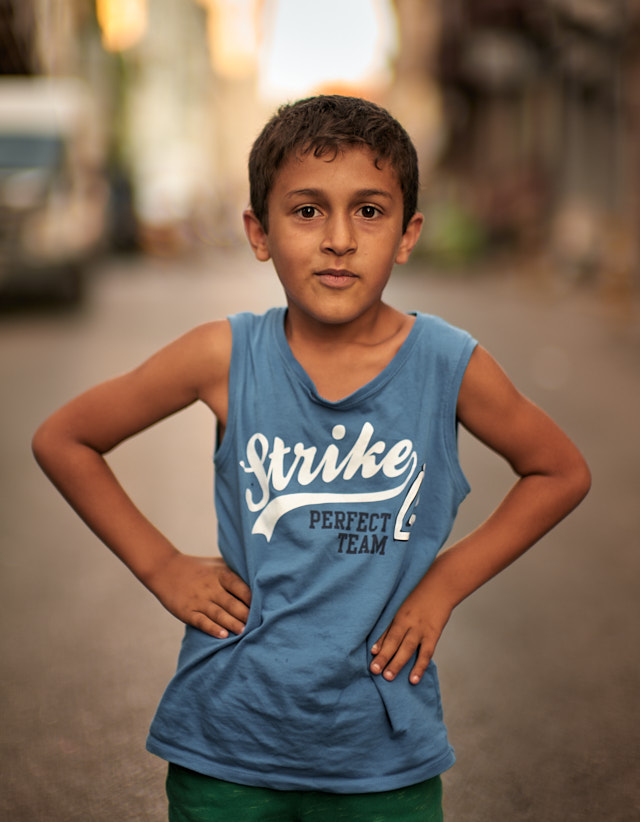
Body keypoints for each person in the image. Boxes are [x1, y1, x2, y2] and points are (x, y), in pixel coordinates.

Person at [32, 95, 591, 822]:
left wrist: (443, 584)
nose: (338, 239)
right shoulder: (225, 354)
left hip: (382, 758)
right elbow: (65, 437)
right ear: (258, 233)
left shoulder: (449, 365)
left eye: (368, 211)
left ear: (407, 233)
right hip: (226, 744)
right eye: (305, 211)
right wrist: (161, 565)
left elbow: (560, 470)